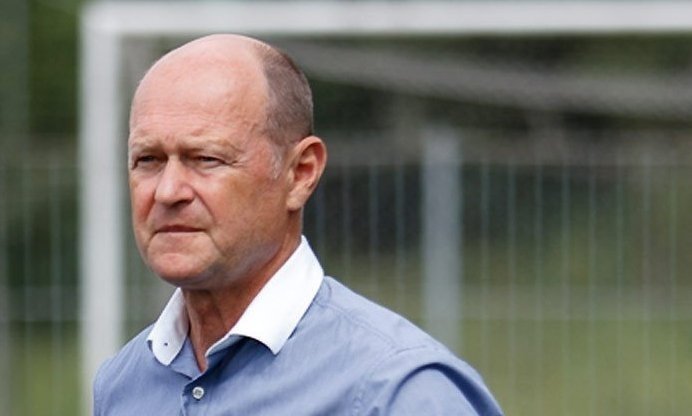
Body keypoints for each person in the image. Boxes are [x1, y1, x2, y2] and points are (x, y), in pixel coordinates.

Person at [93, 34, 503, 416]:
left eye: (206, 159)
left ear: (300, 173)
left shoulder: (399, 393)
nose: (167, 192)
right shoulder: (123, 386)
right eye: (148, 160)